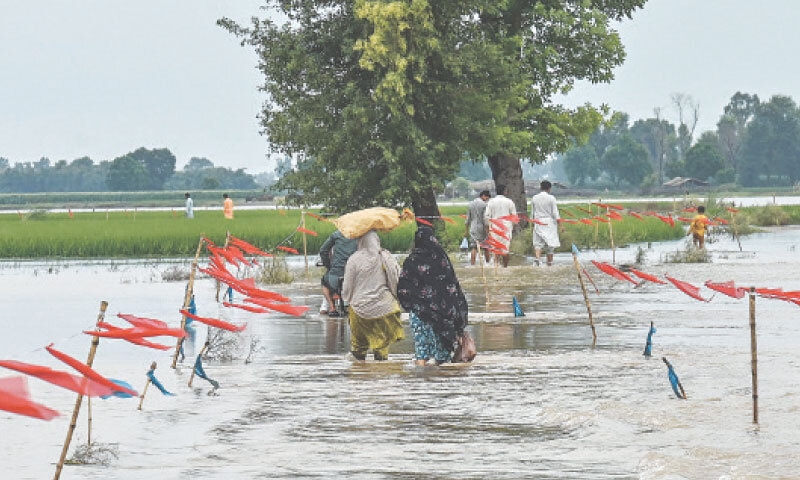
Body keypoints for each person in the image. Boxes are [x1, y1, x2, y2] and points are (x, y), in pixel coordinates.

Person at [397, 225, 469, 366]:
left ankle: (421, 382)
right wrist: (456, 317)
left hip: (419, 314)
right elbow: (452, 287)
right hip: (441, 317)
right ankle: (439, 384)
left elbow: (403, 287)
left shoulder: (411, 261)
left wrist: (411, 305)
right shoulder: (442, 260)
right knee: (442, 357)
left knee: (421, 352)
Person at [341, 230, 404, 361]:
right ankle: (381, 367)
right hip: (385, 308)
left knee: (359, 346)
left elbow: (347, 286)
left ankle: (360, 370)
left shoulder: (354, 259)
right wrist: (397, 297)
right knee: (382, 345)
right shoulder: (385, 257)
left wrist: (347, 299)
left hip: (360, 309)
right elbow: (395, 279)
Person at [318, 229, 357, 317]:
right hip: (355, 274)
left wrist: (328, 265)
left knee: (324, 282)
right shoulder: (360, 235)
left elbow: (323, 251)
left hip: (336, 273)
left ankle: (332, 307)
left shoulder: (336, 235)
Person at [483, 183, 517, 267]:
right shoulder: (509, 202)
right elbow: (514, 218)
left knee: (495, 249)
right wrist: (511, 226)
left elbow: (486, 216)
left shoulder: (491, 202)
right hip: (506, 228)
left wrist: (488, 228)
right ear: (505, 191)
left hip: (494, 228)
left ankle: (496, 266)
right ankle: (505, 267)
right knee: (505, 249)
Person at [530, 180, 562, 266]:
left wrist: (532, 225)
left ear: (541, 188)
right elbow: (555, 213)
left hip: (538, 222)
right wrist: (561, 225)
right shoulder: (551, 198)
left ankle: (537, 259)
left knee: (538, 244)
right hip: (549, 223)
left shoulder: (534, 198)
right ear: (549, 188)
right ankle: (549, 264)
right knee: (550, 245)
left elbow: (532, 213)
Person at [465, 190, 491, 265]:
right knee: (486, 247)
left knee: (474, 247)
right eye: (487, 197)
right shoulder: (484, 205)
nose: (487, 199)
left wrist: (466, 231)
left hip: (473, 228)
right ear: (483, 196)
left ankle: (472, 264)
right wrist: (487, 231)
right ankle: (488, 263)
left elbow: (467, 220)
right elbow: (485, 219)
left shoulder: (471, 204)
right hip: (481, 228)